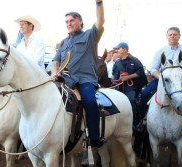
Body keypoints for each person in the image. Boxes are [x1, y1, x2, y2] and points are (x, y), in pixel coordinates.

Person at [51, 0, 104, 165]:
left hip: (85, 80)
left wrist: (99, 3)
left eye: (72, 20)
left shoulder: (90, 35)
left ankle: (94, 139)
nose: (69, 24)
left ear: (80, 21)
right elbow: (55, 62)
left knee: (89, 101)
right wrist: (54, 74)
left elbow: (100, 21)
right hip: (65, 80)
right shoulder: (63, 43)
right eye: (66, 22)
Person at [138, 26, 182, 124]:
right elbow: (153, 68)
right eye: (170, 35)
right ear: (167, 36)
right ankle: (140, 121)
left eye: (175, 34)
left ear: (179, 36)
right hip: (162, 80)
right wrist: (161, 78)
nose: (172, 36)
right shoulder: (160, 51)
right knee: (145, 94)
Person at [111, 42, 146, 125]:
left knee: (130, 100)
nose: (117, 51)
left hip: (131, 88)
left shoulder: (135, 60)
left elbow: (141, 73)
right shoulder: (117, 63)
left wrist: (128, 77)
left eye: (118, 49)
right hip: (118, 88)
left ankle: (133, 122)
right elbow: (113, 76)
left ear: (124, 49)